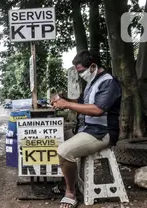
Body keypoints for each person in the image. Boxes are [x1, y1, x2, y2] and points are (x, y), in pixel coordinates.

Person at [51, 50, 122, 208]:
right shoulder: (92, 83)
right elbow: (81, 102)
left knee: (64, 151)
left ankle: (70, 193)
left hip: (102, 132)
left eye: (82, 71)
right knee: (59, 140)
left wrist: (67, 105)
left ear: (93, 66)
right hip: (88, 129)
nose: (80, 74)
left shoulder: (108, 82)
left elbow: (98, 109)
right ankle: (70, 182)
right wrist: (65, 99)